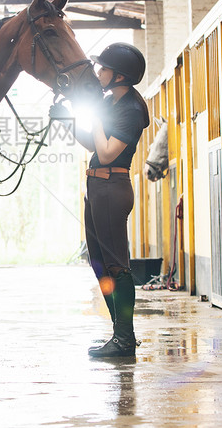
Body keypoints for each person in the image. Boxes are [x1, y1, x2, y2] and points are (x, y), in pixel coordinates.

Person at [51, 42, 149, 358]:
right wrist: (67, 119)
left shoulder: (131, 111)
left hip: (112, 187)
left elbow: (107, 153)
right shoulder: (111, 103)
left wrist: (92, 116)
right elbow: (93, 145)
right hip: (97, 189)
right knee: (99, 264)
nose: (98, 72)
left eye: (103, 68)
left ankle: (125, 339)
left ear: (120, 76)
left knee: (117, 267)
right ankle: (120, 335)